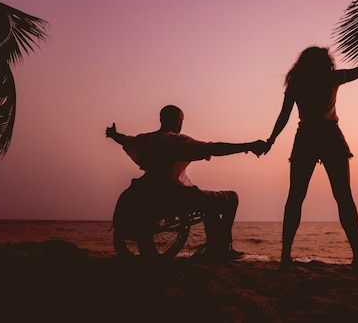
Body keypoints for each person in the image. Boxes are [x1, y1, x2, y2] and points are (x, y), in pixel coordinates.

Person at [262, 43, 358, 274]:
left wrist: (271, 140)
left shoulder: (297, 83)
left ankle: (285, 258)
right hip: (329, 136)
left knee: (296, 197)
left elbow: (284, 116)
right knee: (343, 197)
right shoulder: (332, 78)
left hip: (306, 137)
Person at [106, 104, 266, 260]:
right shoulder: (176, 141)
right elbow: (214, 148)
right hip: (175, 194)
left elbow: (125, 140)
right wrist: (248, 146)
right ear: (178, 122)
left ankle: (215, 246)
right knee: (231, 198)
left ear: (161, 119)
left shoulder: (144, 140)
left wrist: (113, 134)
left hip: (147, 189)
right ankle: (222, 248)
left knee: (206, 199)